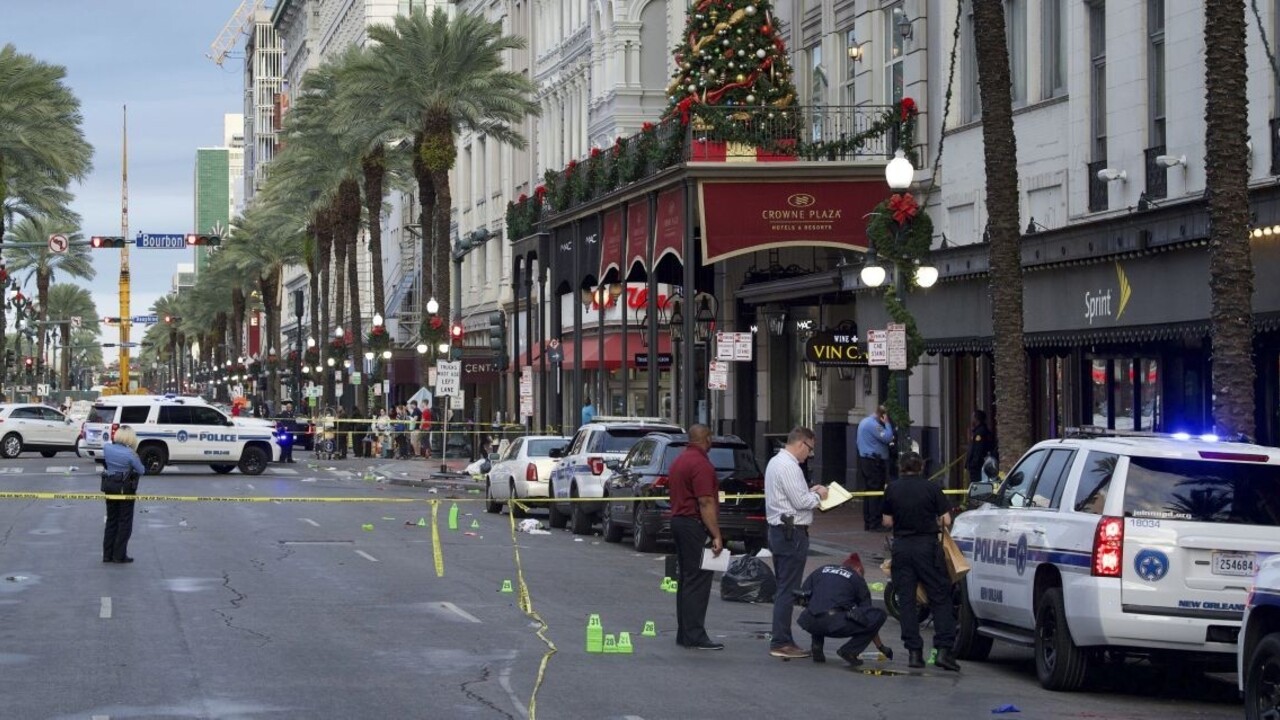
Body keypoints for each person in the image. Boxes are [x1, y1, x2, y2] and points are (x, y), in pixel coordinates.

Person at [882, 451, 960, 671]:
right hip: (927, 547)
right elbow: (946, 520)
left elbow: (887, 521)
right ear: (921, 467)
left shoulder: (892, 489)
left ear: (900, 467)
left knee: (907, 600)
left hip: (902, 547)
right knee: (940, 597)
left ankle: (914, 653)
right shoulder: (932, 488)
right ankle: (943, 650)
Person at [764, 426, 829, 659]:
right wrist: (819, 494)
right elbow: (801, 501)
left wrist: (811, 490)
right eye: (810, 449)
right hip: (791, 533)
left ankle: (782, 638)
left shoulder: (775, 462)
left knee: (784, 586)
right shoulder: (790, 466)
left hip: (779, 530)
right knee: (788, 589)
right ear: (801, 443)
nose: (809, 454)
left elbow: (792, 495)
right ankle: (781, 641)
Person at [668, 424, 724, 650]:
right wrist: (716, 534)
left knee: (686, 579)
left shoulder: (679, 460)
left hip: (679, 521)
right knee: (698, 580)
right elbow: (705, 501)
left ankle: (684, 633)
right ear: (707, 438)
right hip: (693, 524)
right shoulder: (701, 464)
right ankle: (695, 635)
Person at [797, 553, 891, 666]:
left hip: (809, 621)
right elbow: (868, 618)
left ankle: (817, 645)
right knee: (879, 615)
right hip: (834, 624)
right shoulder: (856, 578)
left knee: (819, 606)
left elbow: (803, 596)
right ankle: (850, 651)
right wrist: (880, 646)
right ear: (858, 569)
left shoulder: (822, 569)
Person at [102, 425, 145, 564]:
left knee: (111, 520)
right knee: (124, 522)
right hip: (125, 489)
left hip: (109, 486)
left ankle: (107, 554)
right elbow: (141, 470)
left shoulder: (107, 448)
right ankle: (119, 555)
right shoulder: (130, 454)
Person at [857, 405, 895, 531]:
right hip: (874, 462)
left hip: (866, 459)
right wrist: (887, 424)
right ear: (882, 415)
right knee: (876, 492)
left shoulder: (864, 422)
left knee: (869, 492)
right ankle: (875, 523)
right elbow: (888, 437)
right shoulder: (874, 425)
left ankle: (868, 522)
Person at [965, 409, 995, 485]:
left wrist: (973, 464)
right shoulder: (978, 431)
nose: (971, 419)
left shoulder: (980, 432)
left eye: (972, 417)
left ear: (976, 419)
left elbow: (978, 450)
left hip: (977, 467)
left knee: (976, 484)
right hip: (976, 466)